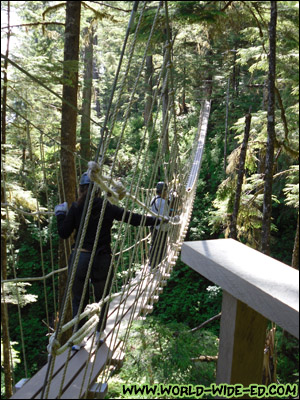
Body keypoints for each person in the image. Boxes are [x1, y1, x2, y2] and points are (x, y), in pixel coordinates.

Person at [54, 172, 158, 350]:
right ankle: (99, 334)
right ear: (98, 189)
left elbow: (64, 233)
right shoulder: (106, 207)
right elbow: (132, 218)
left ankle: (78, 341)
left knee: (79, 299)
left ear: (81, 188)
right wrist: (156, 220)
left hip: (81, 257)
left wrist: (60, 214)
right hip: (102, 258)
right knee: (102, 299)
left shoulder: (76, 207)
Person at [149, 181, 170, 269]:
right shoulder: (162, 202)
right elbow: (164, 218)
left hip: (153, 226)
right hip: (160, 229)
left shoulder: (154, 199)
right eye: (166, 191)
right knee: (160, 247)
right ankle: (155, 266)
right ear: (164, 191)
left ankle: (152, 265)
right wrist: (174, 218)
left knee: (154, 245)